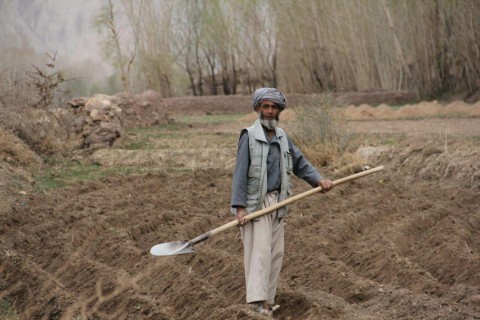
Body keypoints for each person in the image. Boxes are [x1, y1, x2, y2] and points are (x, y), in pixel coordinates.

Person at [231, 87, 334, 316]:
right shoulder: (248, 136)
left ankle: (267, 300)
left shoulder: (282, 137)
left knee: (276, 253)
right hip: (256, 205)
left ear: (279, 111)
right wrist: (239, 209)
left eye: (274, 107)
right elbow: (239, 174)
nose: (269, 111)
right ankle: (258, 302)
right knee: (260, 252)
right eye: (265, 107)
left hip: (279, 202)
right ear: (258, 108)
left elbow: (300, 163)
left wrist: (319, 180)